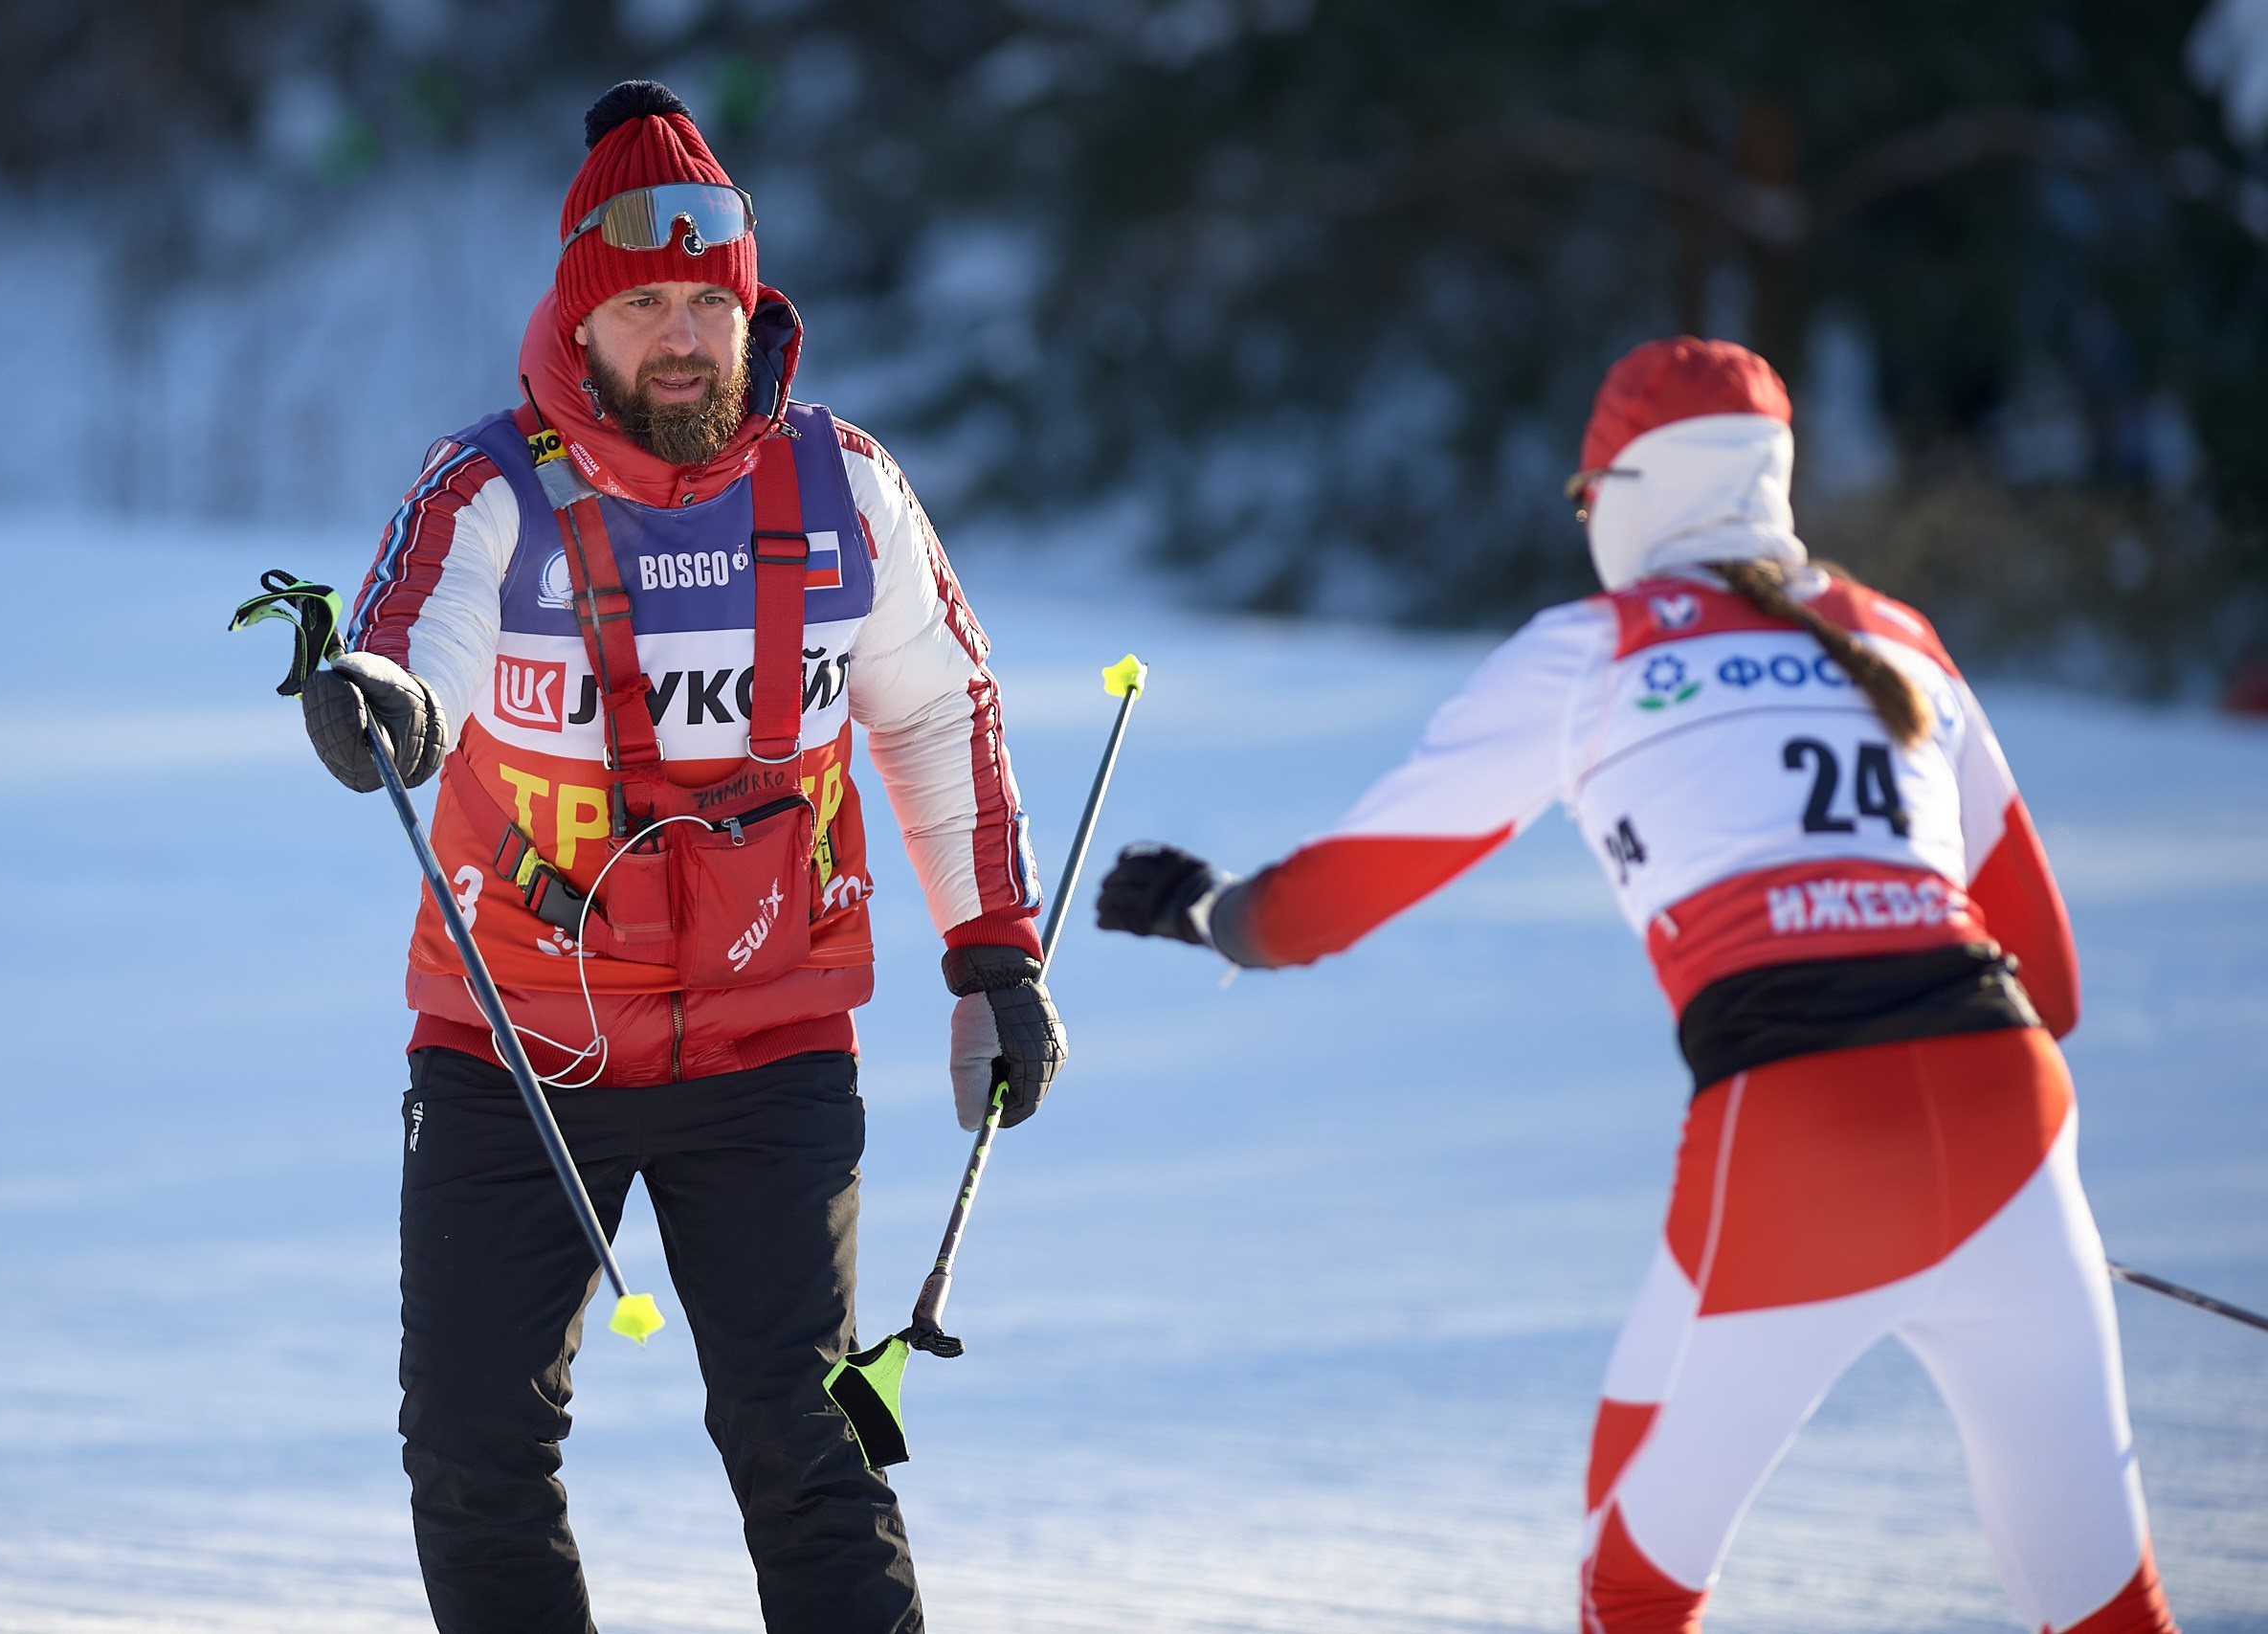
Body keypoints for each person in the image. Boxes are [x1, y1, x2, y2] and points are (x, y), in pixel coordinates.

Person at [1096, 338, 2175, 1634]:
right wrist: (1990, 1208)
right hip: (2011, 1127)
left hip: (1796, 1130)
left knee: (1637, 1586)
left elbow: (1336, 898)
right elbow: (2046, 974)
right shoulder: (1899, 640)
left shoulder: (1593, 651)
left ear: (1625, 493)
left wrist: (1210, 911)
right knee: (2109, 1611)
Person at [298, 79, 1064, 1634]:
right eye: (641, 303)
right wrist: (383, 699)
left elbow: (940, 715)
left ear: (748, 307)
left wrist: (993, 961)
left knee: (811, 1445)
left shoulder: (844, 489)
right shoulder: (488, 488)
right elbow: (415, 645)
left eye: (705, 302)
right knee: (472, 1446)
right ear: (578, 322)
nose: (680, 338)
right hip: (519, 1045)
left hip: (770, 1042)